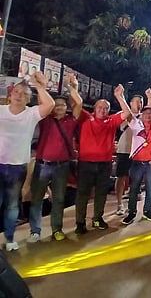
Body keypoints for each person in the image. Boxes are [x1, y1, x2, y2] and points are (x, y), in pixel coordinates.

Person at [0, 72, 55, 251]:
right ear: (10, 95)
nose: (19, 95)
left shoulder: (31, 114)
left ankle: (9, 239)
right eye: (16, 92)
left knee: (12, 205)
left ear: (29, 99)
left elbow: (50, 104)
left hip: (17, 167)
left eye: (24, 94)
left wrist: (38, 85)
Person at [27, 73, 82, 243]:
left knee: (58, 199)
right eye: (56, 105)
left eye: (62, 105)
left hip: (62, 166)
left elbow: (78, 102)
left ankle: (56, 229)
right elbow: (44, 102)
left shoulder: (71, 120)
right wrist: (39, 84)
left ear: (66, 107)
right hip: (42, 165)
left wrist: (71, 87)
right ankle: (35, 231)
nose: (59, 107)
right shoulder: (44, 120)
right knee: (36, 199)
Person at [74, 85, 130, 234]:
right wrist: (72, 87)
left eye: (106, 108)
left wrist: (120, 96)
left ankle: (97, 218)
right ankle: (80, 222)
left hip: (104, 164)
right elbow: (77, 104)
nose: (102, 110)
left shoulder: (111, 121)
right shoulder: (86, 117)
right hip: (86, 163)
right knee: (83, 194)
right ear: (94, 108)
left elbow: (126, 113)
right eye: (100, 107)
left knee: (101, 193)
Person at [122, 88, 151, 225]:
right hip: (137, 162)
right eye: (145, 113)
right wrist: (120, 97)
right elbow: (127, 114)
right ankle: (132, 212)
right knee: (134, 188)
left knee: (150, 187)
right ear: (141, 115)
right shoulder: (136, 124)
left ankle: (147, 211)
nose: (148, 115)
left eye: (150, 113)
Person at [115, 94, 144, 215]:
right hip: (124, 150)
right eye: (137, 101)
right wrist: (120, 96)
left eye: (141, 102)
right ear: (130, 103)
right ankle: (119, 204)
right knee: (121, 177)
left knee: (136, 179)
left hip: (137, 152)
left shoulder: (144, 116)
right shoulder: (122, 114)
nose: (139, 104)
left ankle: (131, 205)